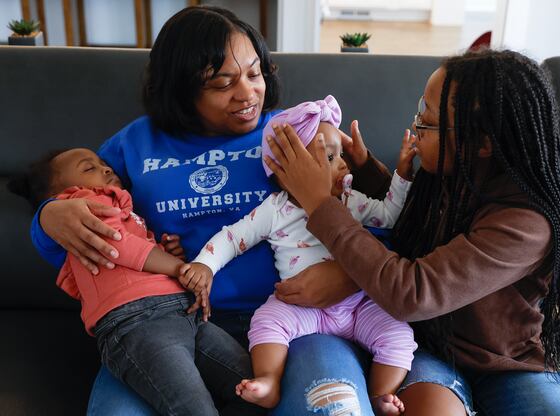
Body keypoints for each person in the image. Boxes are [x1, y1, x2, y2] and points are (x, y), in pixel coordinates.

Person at [29, 5, 384, 415]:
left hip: (297, 322)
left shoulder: (293, 133)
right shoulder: (135, 144)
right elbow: (71, 224)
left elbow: (371, 215)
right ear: (180, 89)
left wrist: (349, 274)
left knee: (333, 408)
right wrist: (47, 217)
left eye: (255, 74)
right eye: (222, 83)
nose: (247, 93)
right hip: (158, 324)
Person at [263, 49, 560, 416]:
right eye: (420, 109)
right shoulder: (447, 174)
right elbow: (410, 221)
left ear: (482, 144)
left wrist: (320, 204)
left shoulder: (526, 223)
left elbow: (414, 292)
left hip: (508, 366)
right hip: (428, 350)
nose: (415, 126)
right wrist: (365, 169)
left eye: (428, 121)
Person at [179, 95, 418, 415]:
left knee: (399, 332)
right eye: (331, 157)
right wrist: (205, 265)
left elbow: (389, 216)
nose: (344, 164)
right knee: (266, 321)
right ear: (288, 171)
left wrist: (402, 175)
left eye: (341, 155)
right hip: (301, 306)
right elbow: (234, 237)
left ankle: (380, 396)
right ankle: (268, 381)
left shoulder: (351, 201)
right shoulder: (276, 210)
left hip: (360, 303)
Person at [9, 148, 262, 415]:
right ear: (60, 195)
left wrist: (166, 253)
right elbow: (117, 245)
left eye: (104, 164)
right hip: (140, 323)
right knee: (199, 406)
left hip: (184, 312)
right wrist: (181, 268)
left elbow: (135, 253)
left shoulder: (126, 211)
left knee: (254, 391)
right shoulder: (83, 202)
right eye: (88, 169)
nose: (106, 169)